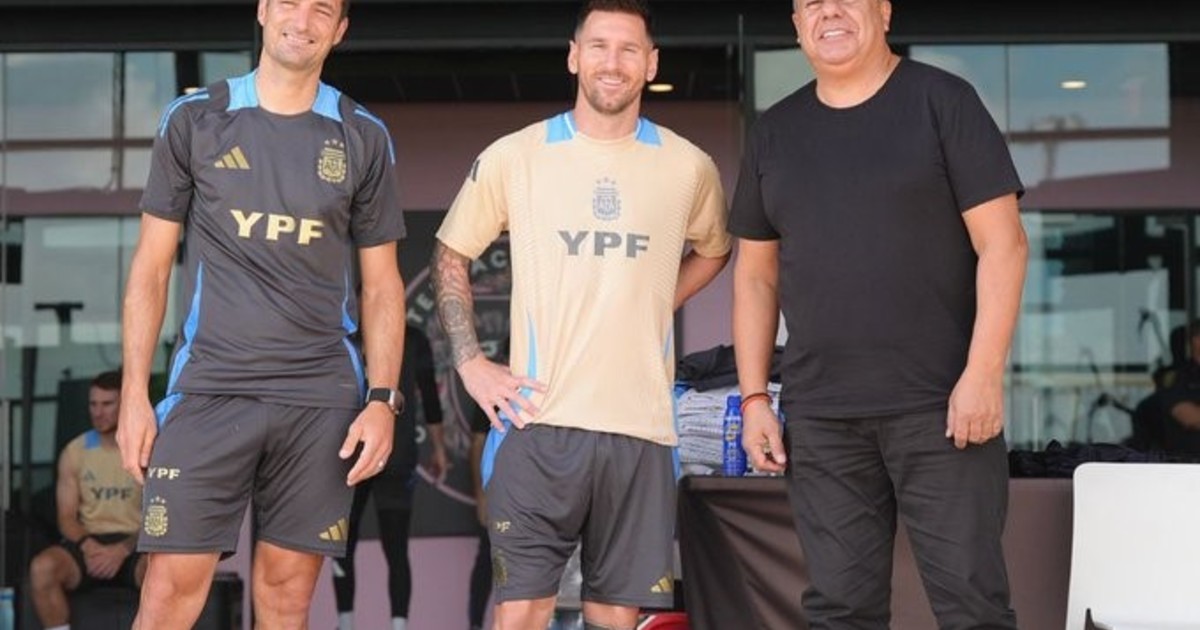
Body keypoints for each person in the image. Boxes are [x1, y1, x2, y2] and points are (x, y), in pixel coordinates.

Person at [431, 1, 731, 627]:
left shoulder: (689, 166)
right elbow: (451, 252)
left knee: (615, 619)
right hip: (539, 424)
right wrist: (471, 363)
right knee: (522, 613)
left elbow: (716, 249)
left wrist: (655, 298)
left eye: (628, 49)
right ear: (574, 56)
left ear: (651, 63)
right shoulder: (518, 155)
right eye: (598, 46)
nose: (612, 62)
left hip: (641, 431)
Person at [730, 0, 1028, 628]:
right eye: (812, 3)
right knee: (840, 612)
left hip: (942, 409)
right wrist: (755, 397)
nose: (829, 12)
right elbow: (756, 276)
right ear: (796, 24)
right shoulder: (774, 132)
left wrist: (983, 374)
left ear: (884, 12)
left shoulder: (943, 102)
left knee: (972, 608)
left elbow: (1003, 245)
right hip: (822, 418)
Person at [117, 0, 407, 626]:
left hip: (320, 397)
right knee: (168, 592)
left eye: (322, 10)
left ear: (340, 30)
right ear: (263, 10)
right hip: (211, 388)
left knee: (286, 596)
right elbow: (150, 267)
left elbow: (383, 285)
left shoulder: (362, 135)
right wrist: (134, 394)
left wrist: (383, 400)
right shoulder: (195, 118)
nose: (303, 20)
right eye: (290, 3)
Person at [332, 324, 448, 630]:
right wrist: (439, 449)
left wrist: (439, 449)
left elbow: (429, 397)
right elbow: (431, 399)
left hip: (363, 452)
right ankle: (393, 626)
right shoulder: (409, 338)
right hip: (389, 451)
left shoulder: (352, 336)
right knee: (390, 548)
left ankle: (347, 624)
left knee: (348, 544)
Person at [29, 371, 147, 630]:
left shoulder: (145, 448)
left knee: (163, 572)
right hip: (89, 542)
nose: (98, 412)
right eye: (93, 404)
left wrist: (123, 549)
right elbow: (66, 518)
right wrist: (90, 546)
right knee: (42, 568)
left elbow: (161, 514)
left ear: (125, 404)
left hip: (135, 543)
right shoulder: (75, 451)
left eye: (107, 404)